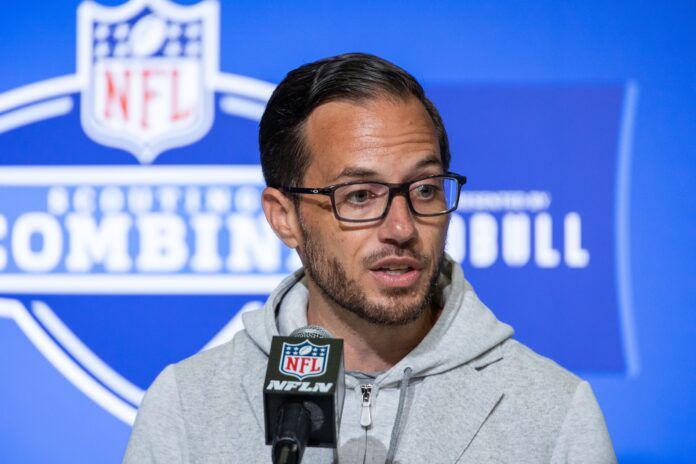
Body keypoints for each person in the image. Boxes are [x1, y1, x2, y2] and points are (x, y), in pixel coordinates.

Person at [123, 53, 617, 463]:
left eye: (423, 189)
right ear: (284, 217)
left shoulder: (552, 412)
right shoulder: (188, 408)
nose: (402, 228)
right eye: (359, 195)